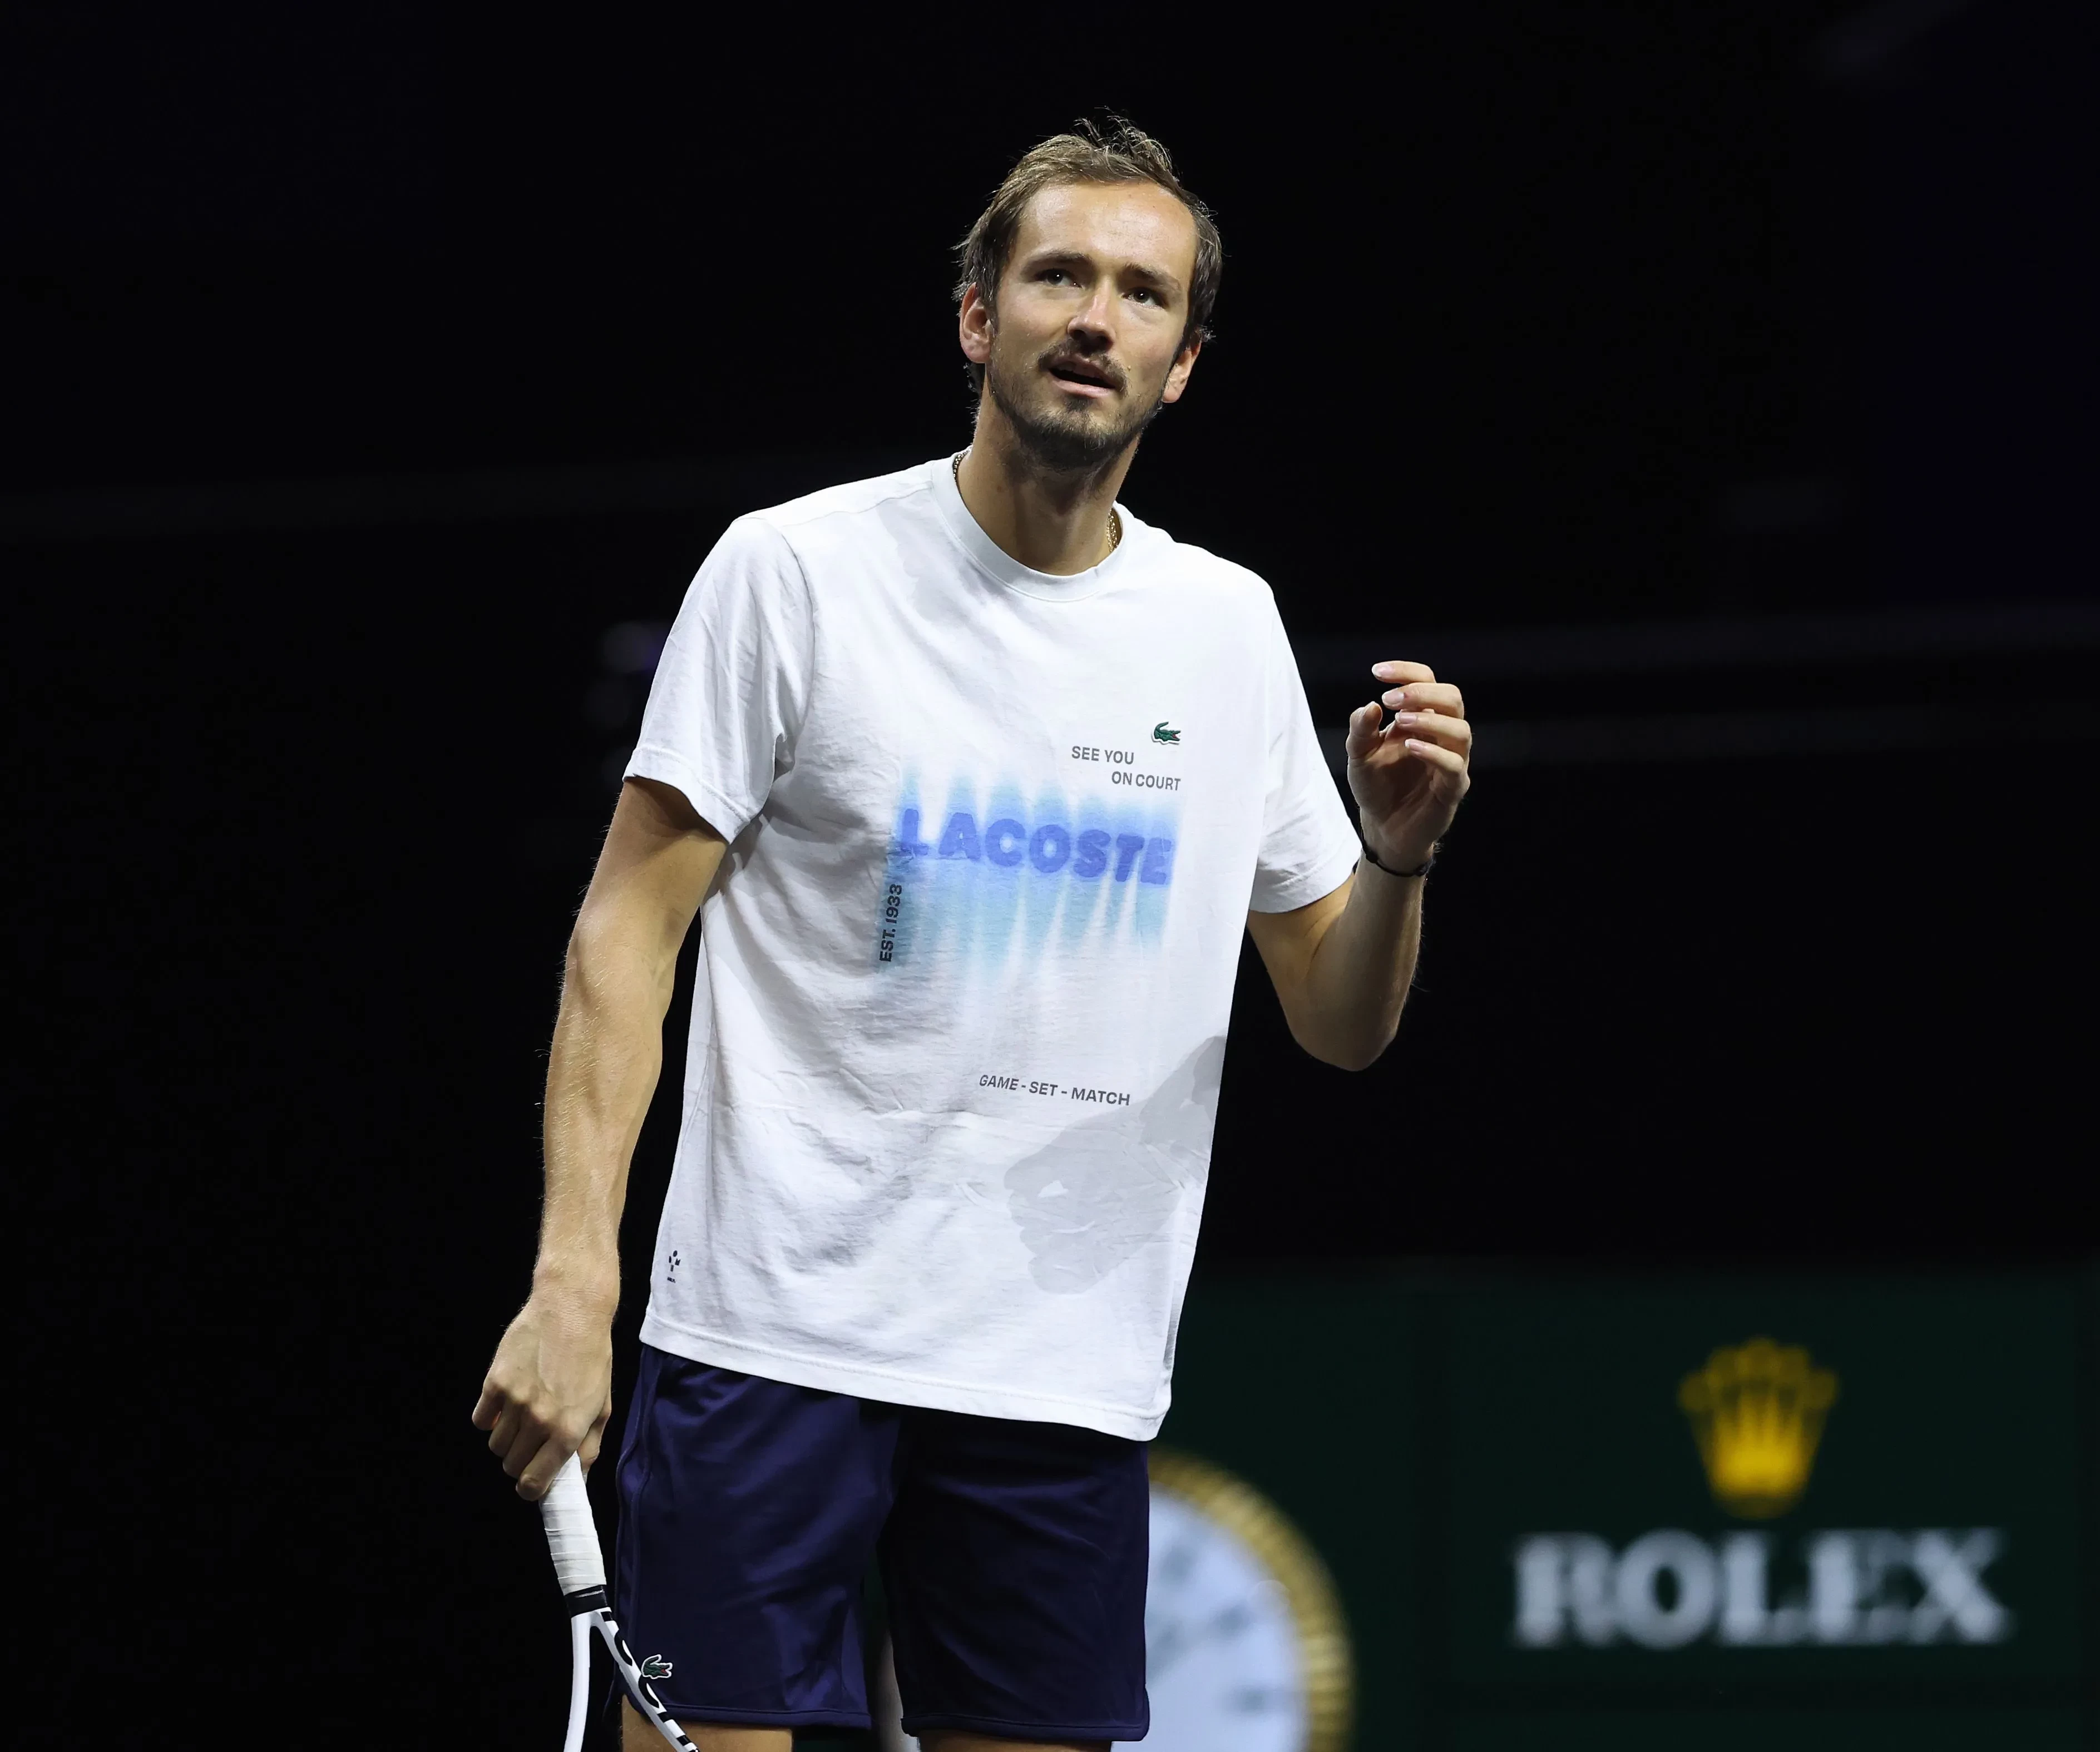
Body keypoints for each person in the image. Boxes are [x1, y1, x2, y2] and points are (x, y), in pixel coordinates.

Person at [470, 119, 1473, 1751]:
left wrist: (1398, 863)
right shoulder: (792, 573)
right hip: (769, 1335)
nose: (1095, 316)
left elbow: (1340, 1021)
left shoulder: (1225, 631)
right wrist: (574, 1279)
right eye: (1059, 275)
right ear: (976, 316)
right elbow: (622, 939)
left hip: (1056, 1371)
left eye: (1142, 294)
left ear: (1182, 364)